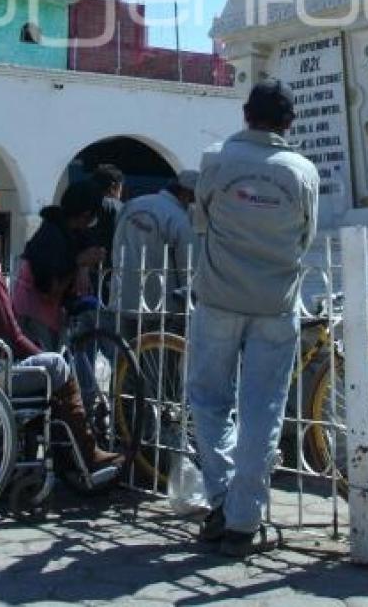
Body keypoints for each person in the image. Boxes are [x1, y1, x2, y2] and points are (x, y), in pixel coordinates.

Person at [187, 80, 319, 558]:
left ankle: (221, 497)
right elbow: (307, 236)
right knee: (263, 409)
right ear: (289, 122)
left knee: (208, 400)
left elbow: (200, 220)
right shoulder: (303, 171)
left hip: (219, 297)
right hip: (276, 304)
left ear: (245, 114)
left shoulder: (215, 160)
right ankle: (244, 517)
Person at [0, 213, 121, 473]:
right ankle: (86, 451)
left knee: (47, 370)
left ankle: (45, 453)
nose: (2, 246)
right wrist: (40, 355)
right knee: (56, 365)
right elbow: (10, 335)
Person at [12, 179, 105, 349]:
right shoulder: (52, 237)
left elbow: (91, 245)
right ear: (86, 214)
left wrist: (82, 267)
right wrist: (78, 263)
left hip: (48, 315)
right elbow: (48, 289)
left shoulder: (68, 230)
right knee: (43, 367)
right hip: (34, 316)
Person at [110, 171, 197, 320]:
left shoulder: (132, 204)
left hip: (120, 303)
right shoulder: (180, 219)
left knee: (123, 343)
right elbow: (188, 270)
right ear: (187, 194)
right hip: (159, 312)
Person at [89, 164, 125, 270]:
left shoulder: (85, 204)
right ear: (114, 187)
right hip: (112, 266)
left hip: (89, 265)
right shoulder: (118, 207)